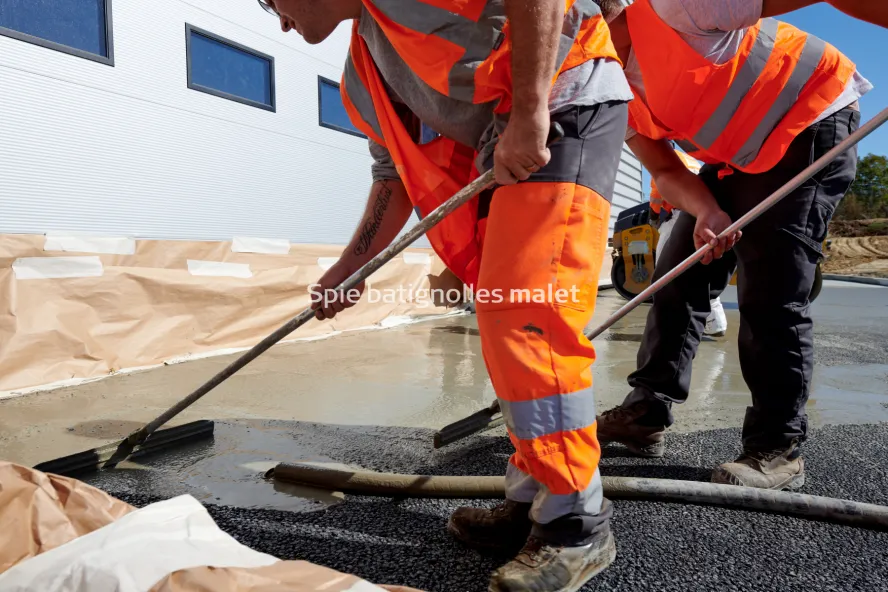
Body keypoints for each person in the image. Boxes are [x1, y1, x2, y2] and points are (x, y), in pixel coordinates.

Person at [256, 0, 634, 589]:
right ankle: (533, 496)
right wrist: (349, 270)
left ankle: (575, 525)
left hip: (564, 106)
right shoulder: (366, 72)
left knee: (528, 319)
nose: (278, 18)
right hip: (507, 140)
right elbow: (392, 176)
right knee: (504, 329)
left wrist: (530, 112)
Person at [593, 0, 885, 489]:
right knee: (677, 279)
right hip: (737, 157)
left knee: (771, 291)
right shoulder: (604, 82)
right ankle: (647, 411)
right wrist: (707, 211)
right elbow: (664, 169)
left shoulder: (677, 10)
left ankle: (777, 448)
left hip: (808, 121)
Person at [650, 147, 729, 337]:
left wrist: (653, 217)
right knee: (701, 274)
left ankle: (670, 331)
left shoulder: (661, 159)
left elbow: (657, 195)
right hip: (699, 212)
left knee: (666, 274)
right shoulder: (690, 159)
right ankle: (716, 325)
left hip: (677, 216)